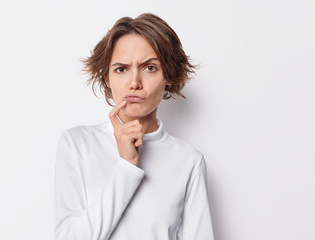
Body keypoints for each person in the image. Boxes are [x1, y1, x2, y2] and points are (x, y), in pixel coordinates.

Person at [54, 13, 215, 240]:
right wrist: (126, 167)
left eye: (149, 68)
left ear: (168, 75)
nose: (134, 83)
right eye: (121, 69)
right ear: (107, 78)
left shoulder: (188, 161)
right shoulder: (77, 145)